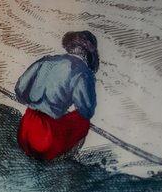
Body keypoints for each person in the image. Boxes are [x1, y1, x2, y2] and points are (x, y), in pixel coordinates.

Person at [14, 30, 100, 161]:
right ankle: (64, 158)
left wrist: (41, 104)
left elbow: (20, 90)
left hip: (25, 132)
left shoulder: (46, 61)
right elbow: (87, 110)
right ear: (88, 51)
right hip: (46, 141)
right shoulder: (83, 72)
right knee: (83, 120)